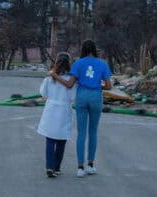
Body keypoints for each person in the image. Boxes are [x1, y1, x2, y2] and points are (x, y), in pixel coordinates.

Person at [48, 40, 112, 178]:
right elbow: (108, 86)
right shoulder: (102, 64)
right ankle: (91, 165)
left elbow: (70, 84)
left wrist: (55, 76)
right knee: (93, 131)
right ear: (94, 49)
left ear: (83, 49)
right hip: (95, 96)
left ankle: (80, 167)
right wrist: (96, 86)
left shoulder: (78, 63)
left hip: (82, 96)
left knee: (81, 132)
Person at [37, 52, 76, 178]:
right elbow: (73, 97)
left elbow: (43, 93)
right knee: (61, 140)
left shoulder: (49, 78)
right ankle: (57, 167)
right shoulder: (72, 80)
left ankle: (49, 166)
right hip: (64, 109)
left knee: (50, 139)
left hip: (51, 109)